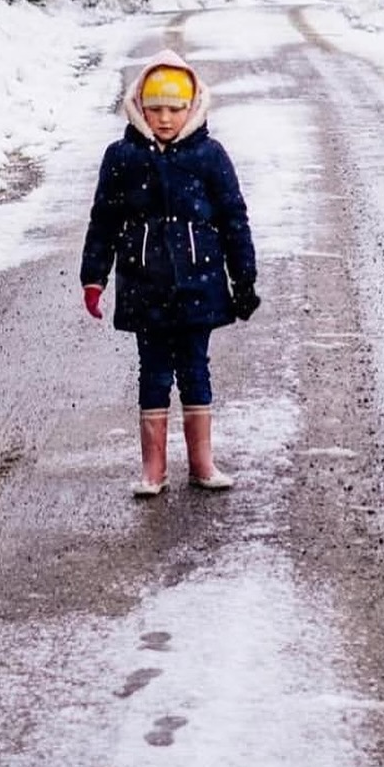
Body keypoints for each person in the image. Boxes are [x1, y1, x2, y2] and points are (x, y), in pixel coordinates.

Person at [79, 49, 259, 497]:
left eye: (174, 109)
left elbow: (234, 217)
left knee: (196, 369)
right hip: (146, 285)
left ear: (192, 107)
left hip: (200, 283)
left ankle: (202, 462)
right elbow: (103, 219)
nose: (164, 119)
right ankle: (152, 468)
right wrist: (94, 277)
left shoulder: (209, 156)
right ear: (139, 108)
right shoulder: (122, 157)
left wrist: (244, 277)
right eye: (155, 109)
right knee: (154, 372)